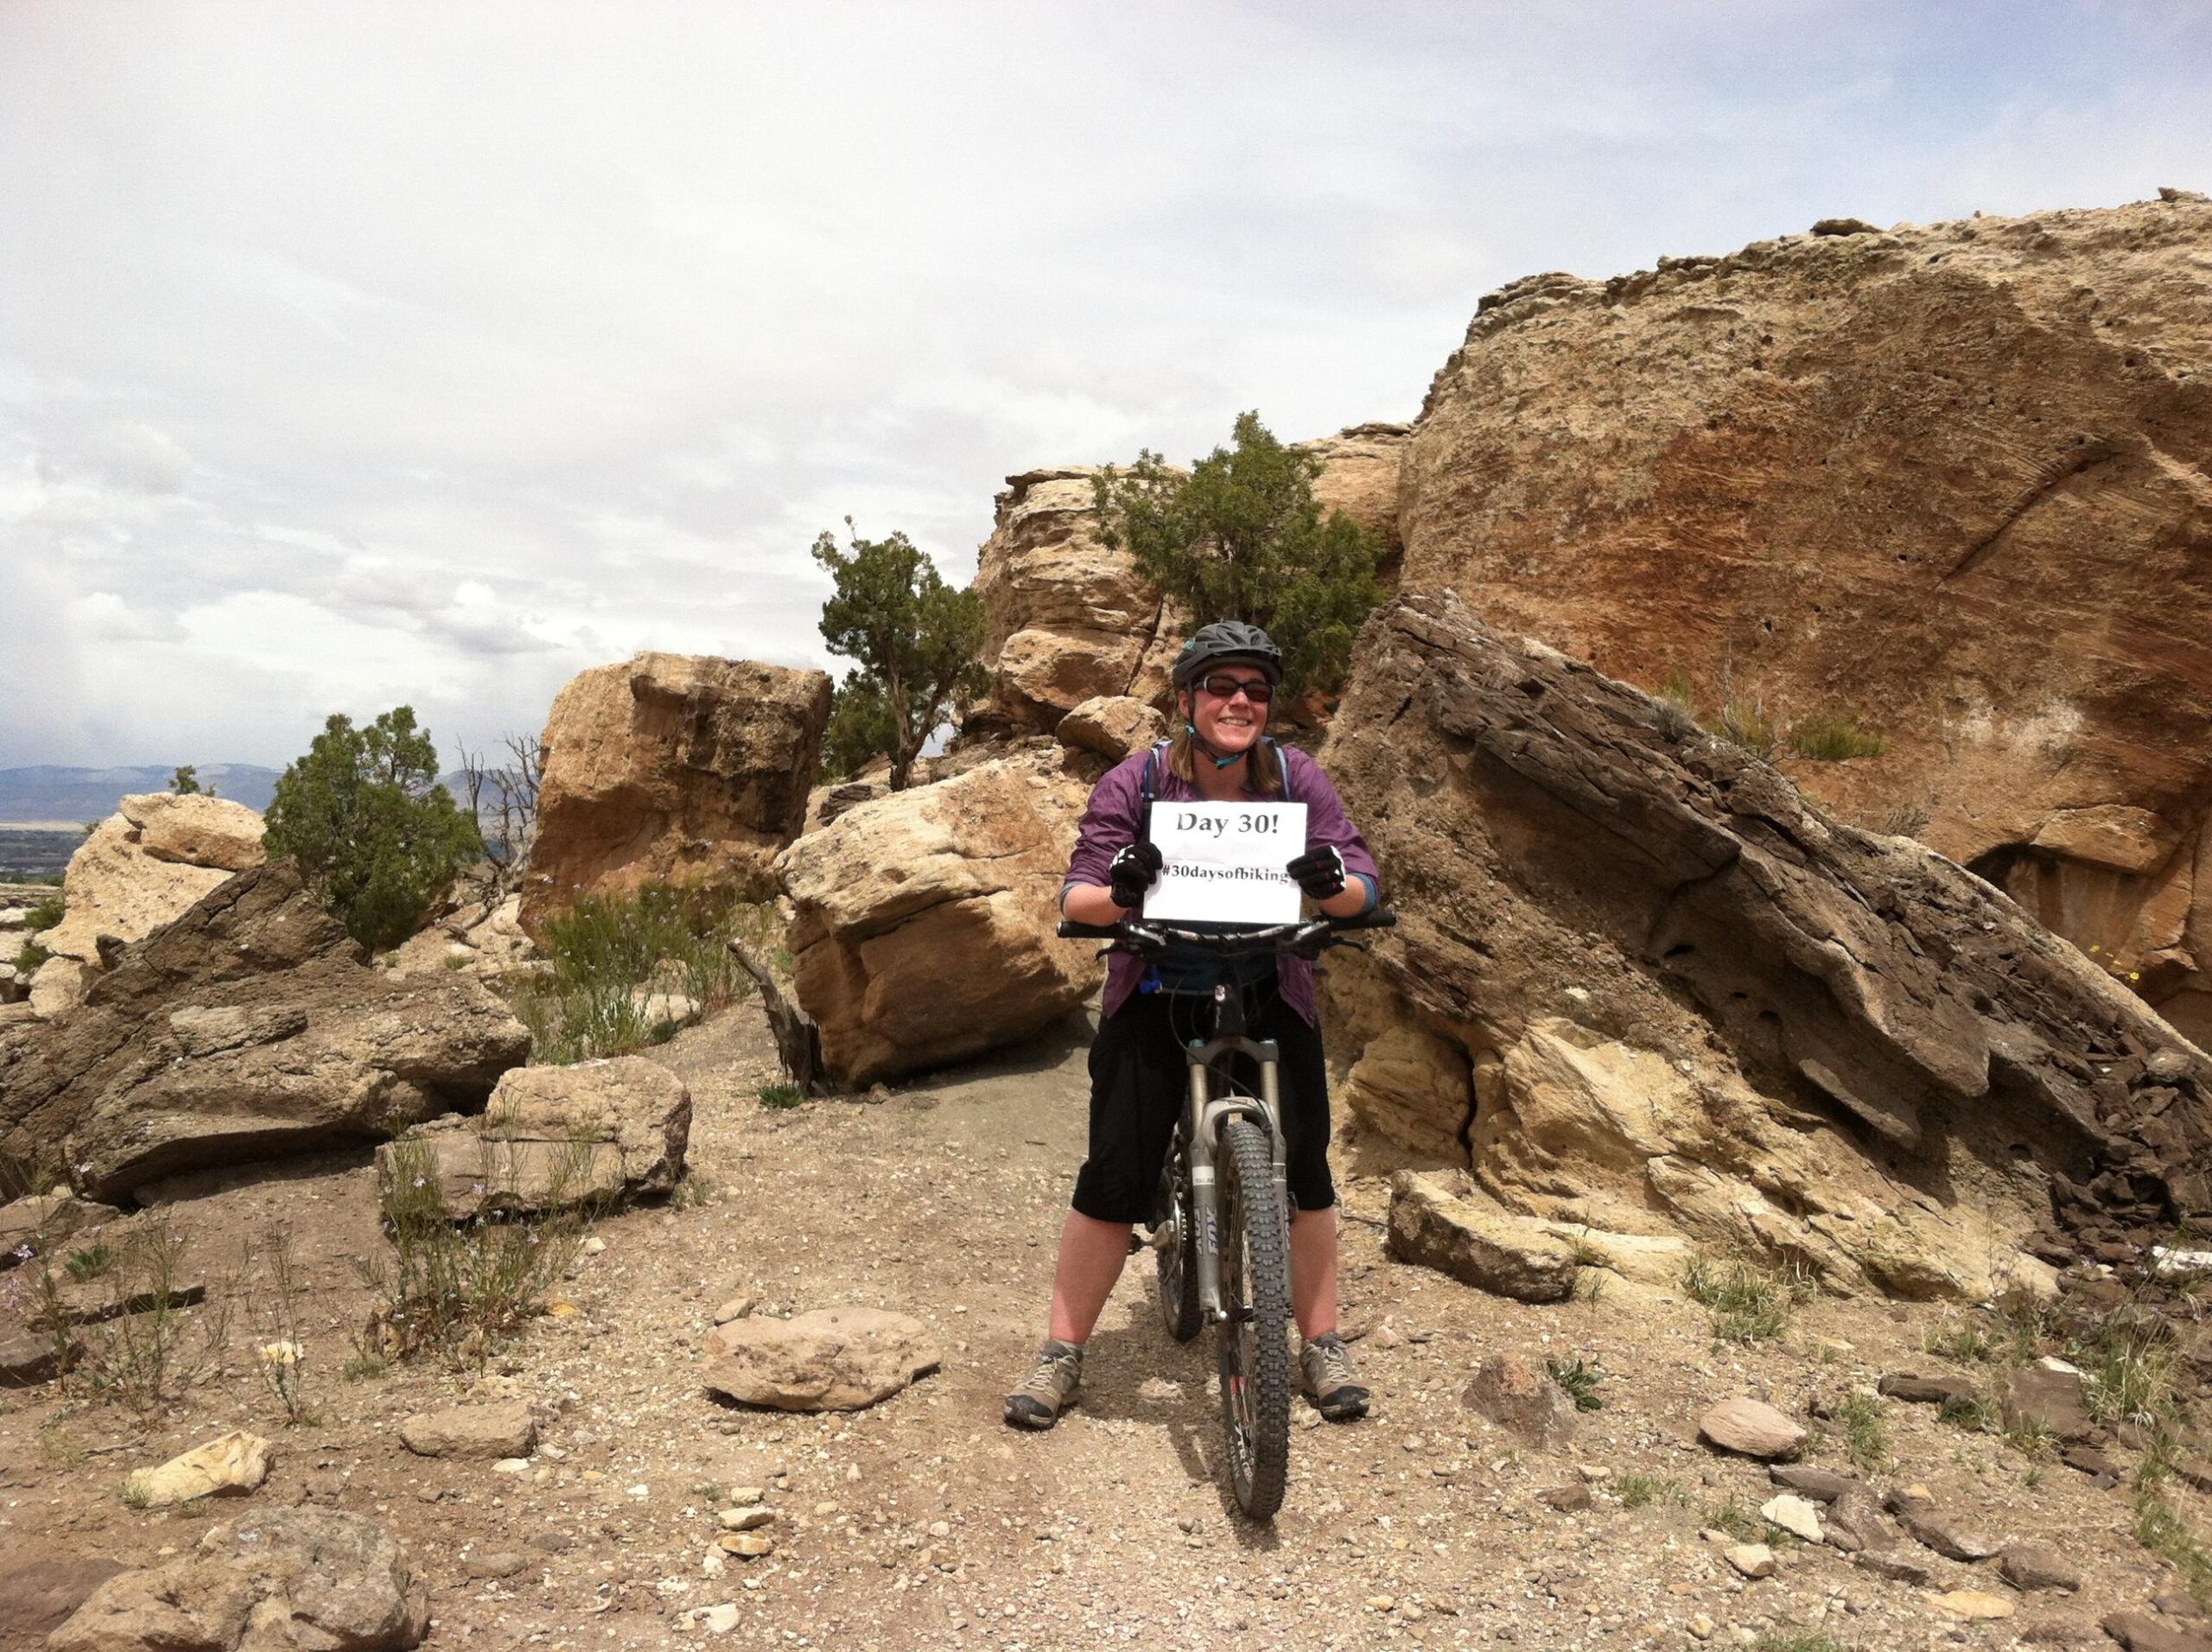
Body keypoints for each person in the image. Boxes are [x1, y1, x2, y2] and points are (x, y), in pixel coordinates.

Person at [1004, 620, 1382, 1430]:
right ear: (1186, 699)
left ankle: (1322, 1345)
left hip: (1267, 982)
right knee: (1114, 1177)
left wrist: (1333, 882)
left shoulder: (1295, 778)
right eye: (1221, 686)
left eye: (1254, 689)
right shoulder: (1135, 784)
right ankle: (1062, 1354)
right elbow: (1077, 899)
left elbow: (1363, 886)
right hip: (1156, 988)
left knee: (1307, 1172)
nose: (1239, 701)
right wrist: (1125, 887)